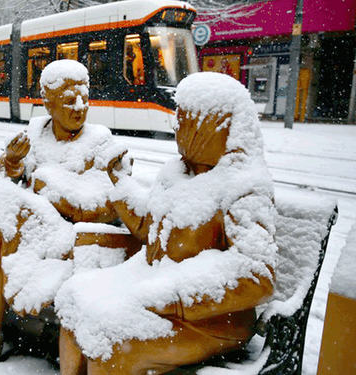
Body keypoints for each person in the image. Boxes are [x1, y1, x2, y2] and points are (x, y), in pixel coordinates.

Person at [0, 60, 136, 367]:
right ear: (49, 103)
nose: (80, 107)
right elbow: (8, 187)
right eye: (70, 100)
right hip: (32, 235)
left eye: (85, 98)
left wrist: (53, 190)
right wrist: (14, 165)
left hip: (73, 241)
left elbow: (103, 209)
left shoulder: (99, 142)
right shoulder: (36, 134)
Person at [56, 72, 278, 375]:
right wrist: (119, 181)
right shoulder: (175, 172)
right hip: (149, 287)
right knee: (73, 300)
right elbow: (150, 228)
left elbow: (258, 273)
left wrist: (172, 296)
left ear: (215, 125)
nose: (176, 126)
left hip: (210, 322)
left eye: (184, 118)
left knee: (113, 344)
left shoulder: (245, 187)